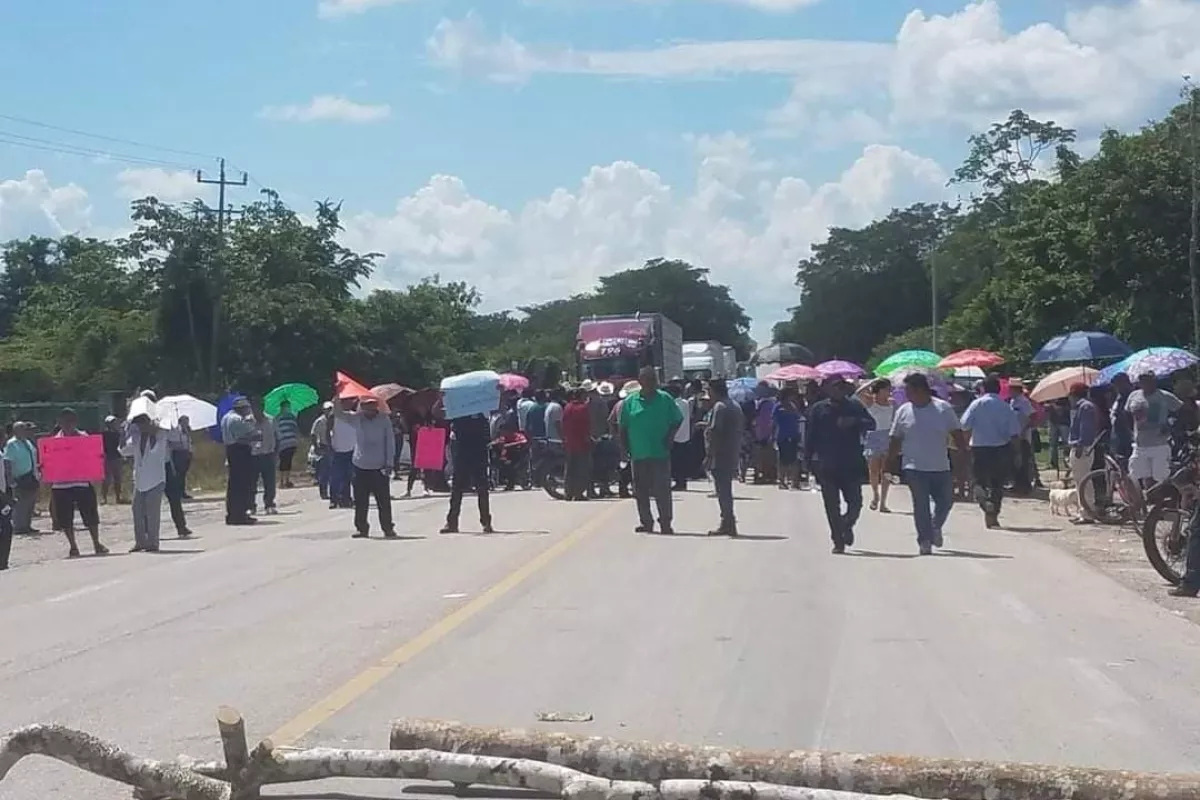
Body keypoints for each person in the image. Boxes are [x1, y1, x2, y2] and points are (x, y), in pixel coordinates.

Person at [888, 373, 968, 555]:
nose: (906, 394)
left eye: (908, 390)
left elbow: (956, 432)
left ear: (919, 390)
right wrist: (889, 462)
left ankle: (935, 526)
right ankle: (924, 540)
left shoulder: (943, 408)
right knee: (921, 504)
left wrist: (963, 452)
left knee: (946, 502)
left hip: (941, 465)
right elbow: (895, 438)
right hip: (914, 467)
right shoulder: (904, 410)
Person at [805, 375, 874, 554]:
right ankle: (838, 540)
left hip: (850, 463)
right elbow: (809, 437)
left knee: (856, 503)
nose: (837, 390)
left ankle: (846, 524)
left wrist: (855, 421)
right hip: (826, 464)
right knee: (831, 505)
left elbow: (871, 423)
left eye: (841, 387)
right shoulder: (818, 409)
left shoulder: (854, 406)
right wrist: (808, 463)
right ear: (828, 389)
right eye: (834, 387)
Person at [619, 366, 683, 534]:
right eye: (647, 380)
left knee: (662, 490)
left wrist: (670, 437)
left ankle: (665, 522)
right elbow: (623, 427)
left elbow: (677, 420)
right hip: (638, 453)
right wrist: (624, 449)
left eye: (653, 380)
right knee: (640, 491)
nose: (651, 383)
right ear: (640, 382)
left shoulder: (665, 399)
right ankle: (646, 522)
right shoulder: (630, 402)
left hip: (659, 452)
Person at [960, 375, 1020, 529]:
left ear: (983, 389)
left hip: (979, 448)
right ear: (999, 389)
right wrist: (1016, 452)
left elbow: (965, 426)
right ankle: (993, 516)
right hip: (1001, 448)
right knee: (997, 483)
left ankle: (985, 504)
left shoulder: (976, 404)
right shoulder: (1006, 407)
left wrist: (965, 446)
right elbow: (1014, 433)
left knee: (978, 482)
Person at [334, 396, 397, 539]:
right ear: (362, 406)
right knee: (361, 501)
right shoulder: (357, 418)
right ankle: (361, 528)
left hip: (379, 466)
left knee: (383, 501)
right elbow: (338, 414)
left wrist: (389, 463)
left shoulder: (384, 419)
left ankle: (388, 528)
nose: (370, 408)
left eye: (372, 405)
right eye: (366, 405)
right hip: (360, 465)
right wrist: (337, 398)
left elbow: (390, 442)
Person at [50, 408, 109, 558]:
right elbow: (49, 462)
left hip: (82, 482)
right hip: (61, 484)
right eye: (64, 421)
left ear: (75, 421)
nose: (67, 424)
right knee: (65, 517)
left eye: (70, 421)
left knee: (90, 514)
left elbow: (93, 457)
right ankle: (73, 546)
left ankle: (96, 543)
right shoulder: (54, 442)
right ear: (59, 422)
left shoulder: (84, 438)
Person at [120, 412, 171, 553]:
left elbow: (157, 451)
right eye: (139, 424)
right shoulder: (136, 437)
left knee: (152, 512)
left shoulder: (160, 434)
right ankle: (140, 541)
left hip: (156, 478)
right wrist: (122, 434)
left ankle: (153, 542)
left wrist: (153, 434)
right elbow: (124, 451)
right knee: (137, 510)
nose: (141, 427)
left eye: (143, 423)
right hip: (140, 479)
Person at [1127, 371, 1182, 488]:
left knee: (1161, 477)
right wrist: (1131, 431)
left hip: (1160, 444)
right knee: (1139, 475)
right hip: (1140, 444)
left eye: (1148, 380)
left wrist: (1171, 424)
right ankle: (1149, 500)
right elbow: (1126, 414)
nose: (1145, 383)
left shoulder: (1165, 396)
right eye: (1142, 380)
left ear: (1154, 381)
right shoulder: (1134, 396)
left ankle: (1163, 502)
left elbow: (1181, 411)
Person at [442, 413, 494, 534]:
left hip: (478, 452)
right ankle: (452, 522)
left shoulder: (481, 413)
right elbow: (438, 413)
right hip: (462, 452)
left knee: (482, 488)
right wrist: (441, 398)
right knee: (457, 488)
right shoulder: (458, 411)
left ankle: (486, 522)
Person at [705, 378, 744, 536]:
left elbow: (715, 432)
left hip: (721, 454)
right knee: (725, 489)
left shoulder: (720, 407)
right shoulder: (734, 405)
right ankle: (728, 521)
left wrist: (709, 456)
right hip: (732, 451)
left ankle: (728, 522)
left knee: (723, 490)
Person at [221, 396, 259, 526]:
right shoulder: (237, 419)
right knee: (241, 484)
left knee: (234, 484)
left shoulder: (226, 417)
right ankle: (239, 514)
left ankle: (233, 513)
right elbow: (251, 434)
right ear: (242, 409)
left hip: (231, 450)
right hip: (239, 451)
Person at [1066, 382, 1099, 524]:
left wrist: (1080, 445)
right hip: (1080, 446)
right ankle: (1083, 511)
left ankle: (1087, 512)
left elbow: (1085, 430)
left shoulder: (1085, 407)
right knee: (1080, 481)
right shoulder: (1081, 407)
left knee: (1084, 480)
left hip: (1082, 447)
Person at [861, 380, 894, 512]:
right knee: (873, 470)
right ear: (879, 390)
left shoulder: (892, 402)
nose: (888, 392)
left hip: (888, 435)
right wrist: (872, 382)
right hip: (873, 436)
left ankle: (883, 502)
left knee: (886, 471)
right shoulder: (870, 402)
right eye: (886, 389)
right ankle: (875, 495)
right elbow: (858, 394)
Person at [5, 422, 39, 536]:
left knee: (30, 502)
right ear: (16, 431)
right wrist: (9, 478)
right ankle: (19, 526)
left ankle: (27, 525)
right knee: (20, 503)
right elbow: (7, 462)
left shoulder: (27, 442)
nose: (25, 431)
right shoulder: (11, 444)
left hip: (31, 476)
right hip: (19, 477)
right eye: (22, 429)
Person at [561, 388, 593, 501]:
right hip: (581, 443)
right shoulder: (583, 408)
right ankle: (578, 493)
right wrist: (588, 439)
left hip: (569, 442)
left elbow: (563, 424)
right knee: (581, 469)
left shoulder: (567, 407)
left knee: (569, 469)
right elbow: (585, 426)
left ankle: (568, 493)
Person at [772, 387, 803, 491]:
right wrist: (773, 436)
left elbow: (798, 419)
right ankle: (781, 481)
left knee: (794, 459)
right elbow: (774, 422)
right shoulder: (778, 407)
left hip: (793, 435)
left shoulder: (793, 406)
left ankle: (795, 481)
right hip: (782, 435)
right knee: (782, 460)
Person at [251, 399, 279, 515]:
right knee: (252, 483)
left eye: (259, 407)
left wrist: (276, 454)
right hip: (253, 456)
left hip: (268, 454)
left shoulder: (271, 420)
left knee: (270, 482)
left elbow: (277, 438)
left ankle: (269, 504)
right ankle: (251, 506)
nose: (257, 410)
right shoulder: (248, 421)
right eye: (255, 407)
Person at [330, 398, 358, 509]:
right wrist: (330, 446)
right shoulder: (335, 416)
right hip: (337, 450)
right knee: (336, 477)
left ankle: (346, 498)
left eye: (348, 401)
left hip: (352, 450)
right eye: (344, 401)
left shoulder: (354, 416)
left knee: (349, 476)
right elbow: (328, 430)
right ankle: (334, 499)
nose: (347, 403)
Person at [668, 382, 693, 491]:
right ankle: (682, 482)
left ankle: (679, 482)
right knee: (683, 462)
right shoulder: (686, 403)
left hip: (676, 436)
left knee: (676, 462)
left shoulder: (673, 404)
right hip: (685, 435)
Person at [166, 414, 194, 500]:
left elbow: (189, 441)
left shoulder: (188, 430)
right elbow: (171, 442)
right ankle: (177, 492)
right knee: (178, 474)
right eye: (184, 421)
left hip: (187, 452)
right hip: (178, 453)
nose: (186, 423)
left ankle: (183, 491)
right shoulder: (176, 431)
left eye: (187, 421)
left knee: (183, 474)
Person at [310, 402, 334, 500]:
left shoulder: (336, 420)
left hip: (334, 447)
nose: (329, 411)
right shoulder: (319, 421)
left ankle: (334, 492)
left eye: (331, 409)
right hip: (324, 446)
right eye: (327, 409)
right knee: (324, 472)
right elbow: (313, 434)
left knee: (334, 471)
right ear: (324, 410)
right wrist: (316, 447)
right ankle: (323, 492)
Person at [275, 399, 300, 489]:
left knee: (287, 461)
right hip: (283, 442)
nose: (287, 408)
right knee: (284, 461)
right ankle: (282, 481)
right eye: (286, 406)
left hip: (289, 442)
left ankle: (286, 480)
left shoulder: (289, 416)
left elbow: (295, 429)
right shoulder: (278, 417)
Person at [100, 416, 125, 505]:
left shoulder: (118, 433)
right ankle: (103, 497)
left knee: (117, 478)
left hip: (117, 457)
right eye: (111, 422)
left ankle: (118, 497)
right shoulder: (105, 434)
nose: (114, 424)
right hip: (108, 458)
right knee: (107, 479)